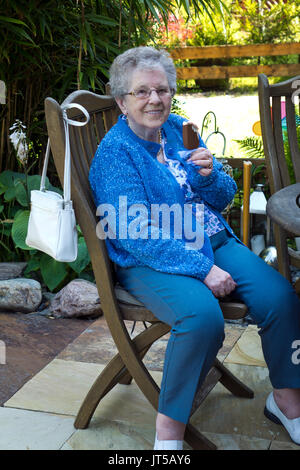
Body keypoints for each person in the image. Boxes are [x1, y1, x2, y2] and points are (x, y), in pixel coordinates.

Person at [89, 46, 300, 450]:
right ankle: (168, 435)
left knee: (280, 297)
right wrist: (201, 269)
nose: (155, 99)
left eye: (163, 90)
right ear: (121, 101)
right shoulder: (117, 154)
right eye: (142, 92)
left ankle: (286, 401)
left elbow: (223, 196)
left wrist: (207, 175)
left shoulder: (179, 128)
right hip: (149, 258)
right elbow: (134, 233)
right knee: (202, 318)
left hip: (210, 238)